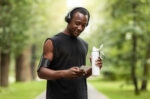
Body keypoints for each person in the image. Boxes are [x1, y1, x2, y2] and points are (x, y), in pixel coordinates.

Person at [37, 7, 102, 99]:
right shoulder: (52, 42)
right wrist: (64, 73)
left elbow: (80, 77)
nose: (80, 28)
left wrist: (93, 68)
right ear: (68, 19)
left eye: (84, 25)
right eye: (77, 23)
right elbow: (41, 72)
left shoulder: (84, 45)